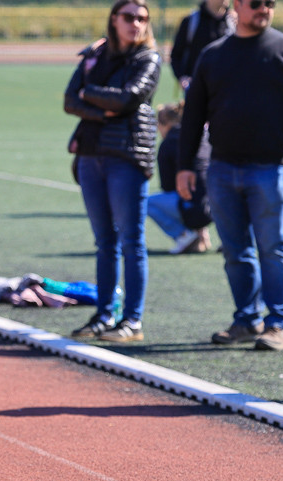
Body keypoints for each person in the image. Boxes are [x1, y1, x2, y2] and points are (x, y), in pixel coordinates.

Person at [177, 0, 283, 352]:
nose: (264, 9)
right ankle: (246, 319)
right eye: (256, 3)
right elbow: (193, 115)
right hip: (221, 169)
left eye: (270, 3)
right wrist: (184, 165)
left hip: (270, 169)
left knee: (274, 248)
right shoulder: (212, 54)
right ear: (237, 4)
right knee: (235, 251)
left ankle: (278, 324)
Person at [64, 0, 161, 343]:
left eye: (143, 18)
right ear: (114, 19)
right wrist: (102, 109)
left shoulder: (148, 58)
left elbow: (128, 99)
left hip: (127, 157)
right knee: (105, 242)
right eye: (129, 17)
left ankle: (131, 320)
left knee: (132, 241)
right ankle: (105, 314)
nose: (137, 23)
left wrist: (90, 94)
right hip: (91, 155)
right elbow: (68, 101)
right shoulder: (97, 55)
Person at [148, 101, 212, 254]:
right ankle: (204, 237)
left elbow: (169, 187)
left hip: (196, 208)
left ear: (164, 124)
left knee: (146, 203)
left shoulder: (168, 143)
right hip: (219, 204)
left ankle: (183, 235)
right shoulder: (203, 135)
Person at [169, 0, 234, 92]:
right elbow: (176, 55)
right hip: (196, 89)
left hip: (227, 89)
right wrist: (182, 77)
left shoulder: (234, 23)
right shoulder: (191, 21)